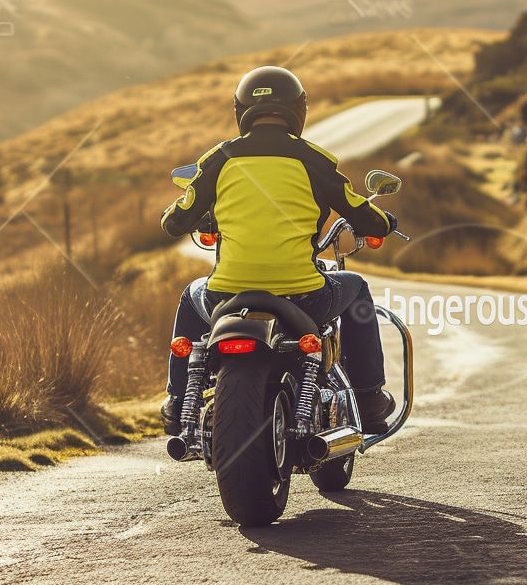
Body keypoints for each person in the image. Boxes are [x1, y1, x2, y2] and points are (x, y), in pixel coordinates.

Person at [160, 66, 397, 436]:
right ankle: (368, 398)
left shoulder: (218, 159)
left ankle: (177, 403)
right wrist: (385, 223)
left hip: (226, 295)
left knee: (191, 296)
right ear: (298, 110)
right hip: (303, 295)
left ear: (240, 111)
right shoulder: (314, 159)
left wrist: (194, 215)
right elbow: (361, 212)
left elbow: (175, 221)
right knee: (357, 287)